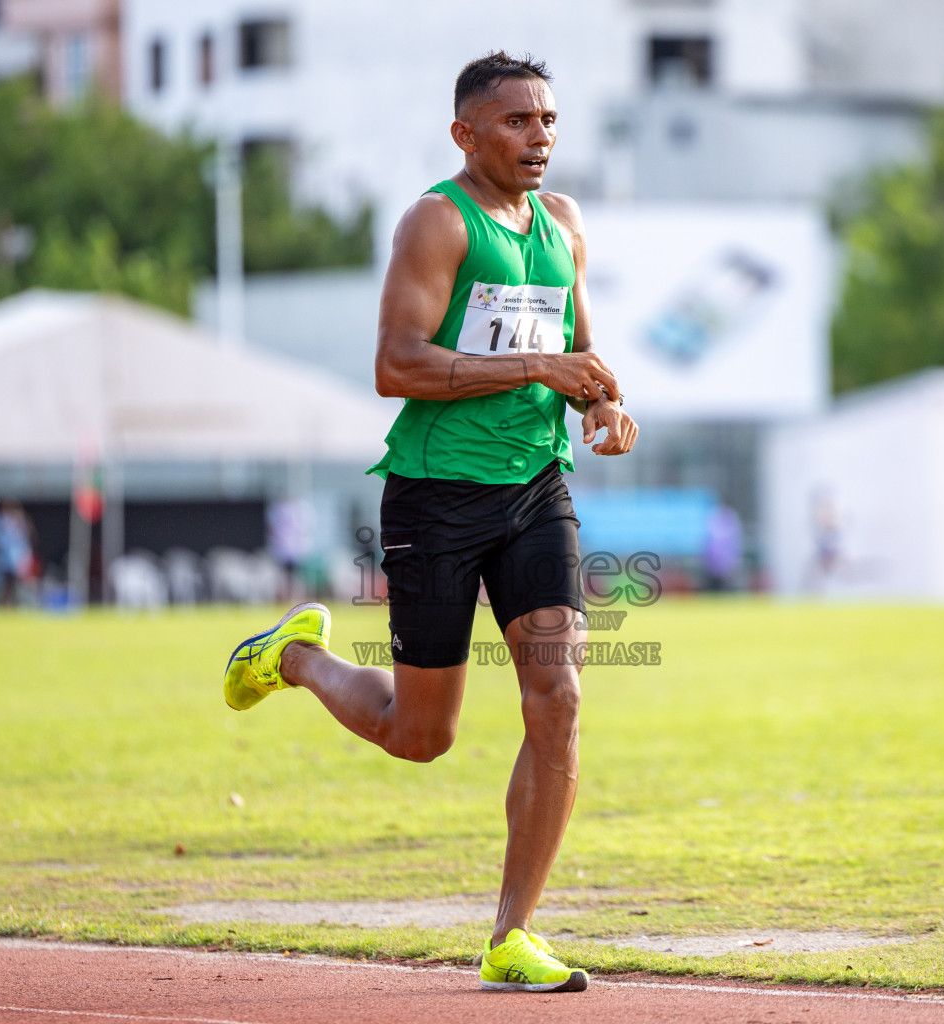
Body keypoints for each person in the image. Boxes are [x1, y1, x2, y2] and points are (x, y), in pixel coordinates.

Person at [221, 53, 638, 994]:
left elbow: (575, 354)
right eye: (518, 122)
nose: (540, 137)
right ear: (466, 134)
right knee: (421, 736)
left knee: (560, 698)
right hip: (436, 497)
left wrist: (602, 408)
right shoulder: (436, 222)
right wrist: (540, 374)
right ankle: (295, 657)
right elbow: (396, 366)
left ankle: (512, 935)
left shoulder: (564, 225)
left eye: (548, 121)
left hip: (537, 489)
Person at [0, 499, 35, 606]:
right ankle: (5, 605)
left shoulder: (19, 519)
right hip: (4, 558)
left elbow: (26, 536)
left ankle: (22, 604)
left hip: (19, 557)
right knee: (5, 584)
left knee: (22, 584)